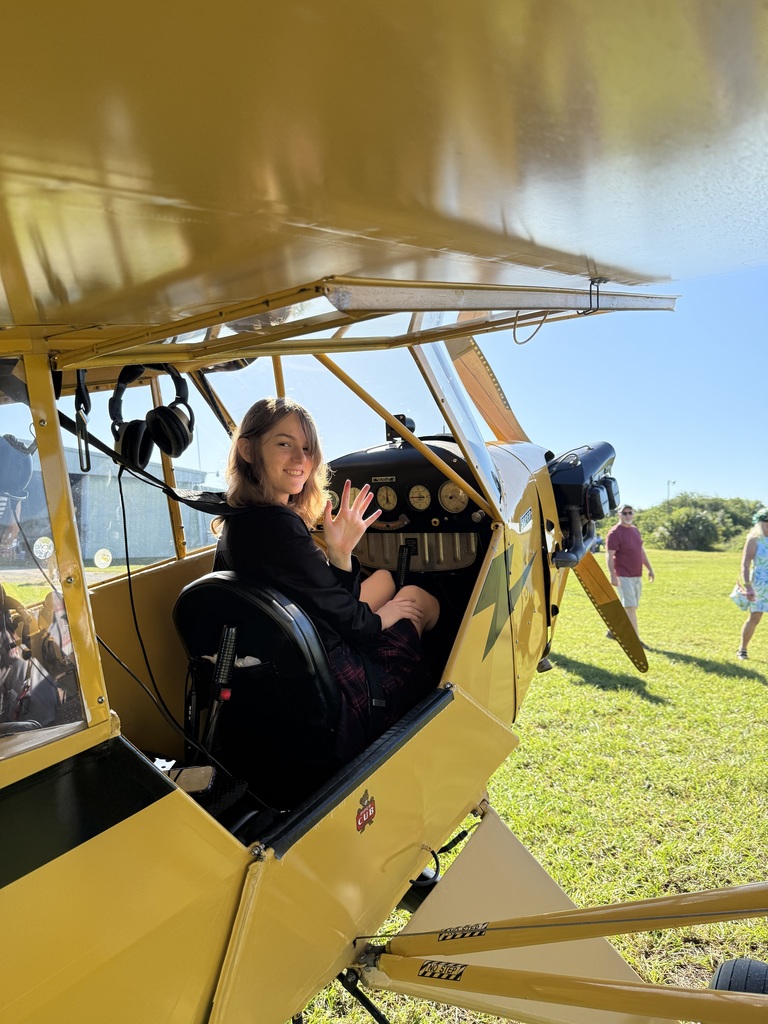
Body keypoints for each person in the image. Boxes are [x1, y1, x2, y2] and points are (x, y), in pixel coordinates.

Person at [212, 397, 440, 761]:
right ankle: (423, 692)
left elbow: (324, 599)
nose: (301, 460)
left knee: (382, 577)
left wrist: (340, 555)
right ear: (248, 450)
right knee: (416, 597)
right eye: (284, 444)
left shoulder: (238, 518)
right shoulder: (278, 526)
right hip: (336, 687)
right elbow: (353, 624)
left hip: (289, 663)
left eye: (307, 448)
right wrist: (389, 615)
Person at [605, 504, 654, 648]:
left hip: (636, 575)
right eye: (624, 513)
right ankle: (635, 641)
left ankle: (613, 631)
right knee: (630, 606)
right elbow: (609, 555)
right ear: (619, 515)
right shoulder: (614, 533)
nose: (627, 516)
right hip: (623, 575)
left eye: (630, 513)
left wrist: (649, 568)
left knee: (630, 607)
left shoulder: (635, 531)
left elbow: (641, 552)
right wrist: (612, 575)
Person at [731, 507, 768, 660]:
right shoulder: (754, 539)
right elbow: (745, 564)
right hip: (759, 583)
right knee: (755, 617)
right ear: (760, 523)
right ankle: (742, 649)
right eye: (766, 522)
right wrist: (748, 585)